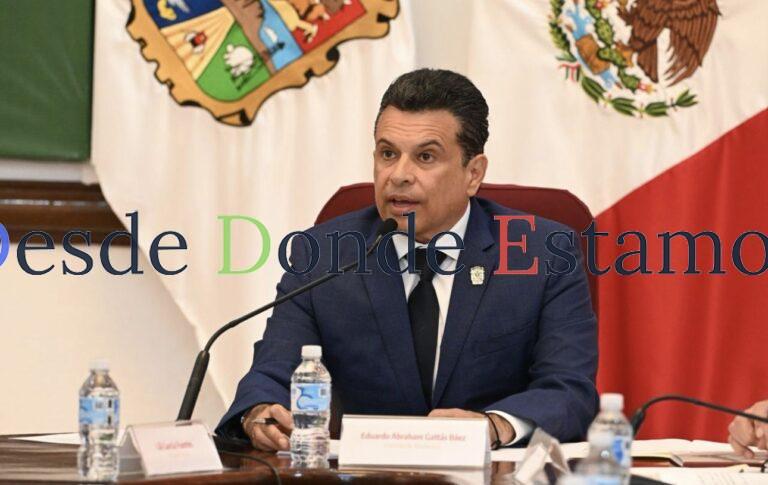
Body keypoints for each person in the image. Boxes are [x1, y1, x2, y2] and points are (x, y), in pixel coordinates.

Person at [216, 68, 598, 450]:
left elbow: (568, 390)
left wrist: (493, 426)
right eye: (388, 154)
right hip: (364, 475)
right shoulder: (324, 255)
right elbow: (274, 370)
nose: (398, 175)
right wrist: (260, 413)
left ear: (473, 173)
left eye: (425, 157)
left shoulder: (543, 254)